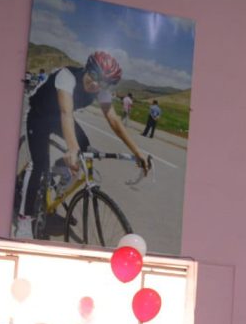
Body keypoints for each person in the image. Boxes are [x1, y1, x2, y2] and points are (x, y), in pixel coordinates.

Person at [15, 51, 149, 238]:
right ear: (87, 68)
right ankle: (24, 219)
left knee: (86, 150)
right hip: (39, 115)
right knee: (39, 166)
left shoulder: (101, 90)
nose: (96, 84)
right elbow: (66, 112)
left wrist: (137, 151)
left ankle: (60, 178)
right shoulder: (67, 77)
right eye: (93, 75)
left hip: (59, 117)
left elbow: (114, 120)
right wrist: (72, 148)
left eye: (103, 83)